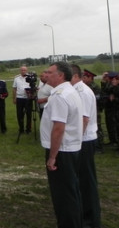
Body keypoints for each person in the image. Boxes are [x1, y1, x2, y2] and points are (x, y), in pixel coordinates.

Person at [40, 62, 83, 228]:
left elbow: (58, 128)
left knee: (63, 195)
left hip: (62, 151)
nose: (46, 74)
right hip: (71, 148)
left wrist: (52, 157)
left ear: (60, 75)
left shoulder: (59, 95)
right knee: (71, 191)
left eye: (50, 72)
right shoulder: (69, 91)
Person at [70, 64, 101, 228]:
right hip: (83, 139)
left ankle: (91, 220)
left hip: (84, 140)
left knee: (87, 180)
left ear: (75, 76)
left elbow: (83, 119)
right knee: (82, 179)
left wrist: (75, 142)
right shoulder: (77, 90)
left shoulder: (81, 92)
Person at [82, 69, 105, 153]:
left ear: (90, 78)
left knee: (97, 128)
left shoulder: (94, 87)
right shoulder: (85, 87)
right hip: (89, 110)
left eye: (85, 77)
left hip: (95, 111)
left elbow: (98, 99)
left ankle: (99, 146)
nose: (83, 79)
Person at [13, 66, 33, 134]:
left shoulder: (30, 78)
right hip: (19, 98)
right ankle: (21, 129)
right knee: (19, 114)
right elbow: (14, 89)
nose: (23, 71)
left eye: (24, 70)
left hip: (28, 98)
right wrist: (14, 98)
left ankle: (28, 129)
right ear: (20, 71)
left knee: (29, 114)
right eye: (22, 70)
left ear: (27, 70)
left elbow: (33, 88)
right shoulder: (16, 79)